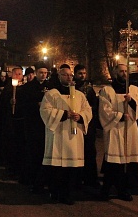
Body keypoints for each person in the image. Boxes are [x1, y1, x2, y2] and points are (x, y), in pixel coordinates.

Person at [40, 66, 92, 205]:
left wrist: (80, 116)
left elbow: (88, 111)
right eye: (65, 75)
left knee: (71, 168)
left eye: (70, 75)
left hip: (73, 137)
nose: (69, 78)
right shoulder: (52, 94)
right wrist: (64, 114)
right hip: (58, 134)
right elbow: (45, 111)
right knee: (57, 168)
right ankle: (55, 191)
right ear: (59, 76)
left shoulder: (80, 95)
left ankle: (67, 193)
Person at [98, 63, 138, 201]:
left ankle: (123, 189)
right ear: (115, 73)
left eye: (126, 71)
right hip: (114, 129)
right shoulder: (107, 90)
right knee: (113, 161)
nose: (124, 74)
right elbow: (104, 110)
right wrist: (119, 116)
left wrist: (131, 101)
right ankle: (106, 188)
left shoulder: (133, 89)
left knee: (126, 162)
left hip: (130, 129)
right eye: (121, 71)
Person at [73, 64, 99, 188]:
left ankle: (90, 179)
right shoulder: (72, 88)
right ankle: (77, 178)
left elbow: (93, 106)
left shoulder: (89, 89)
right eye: (80, 73)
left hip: (88, 123)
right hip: (75, 123)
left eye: (84, 73)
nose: (82, 76)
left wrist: (85, 114)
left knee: (89, 151)